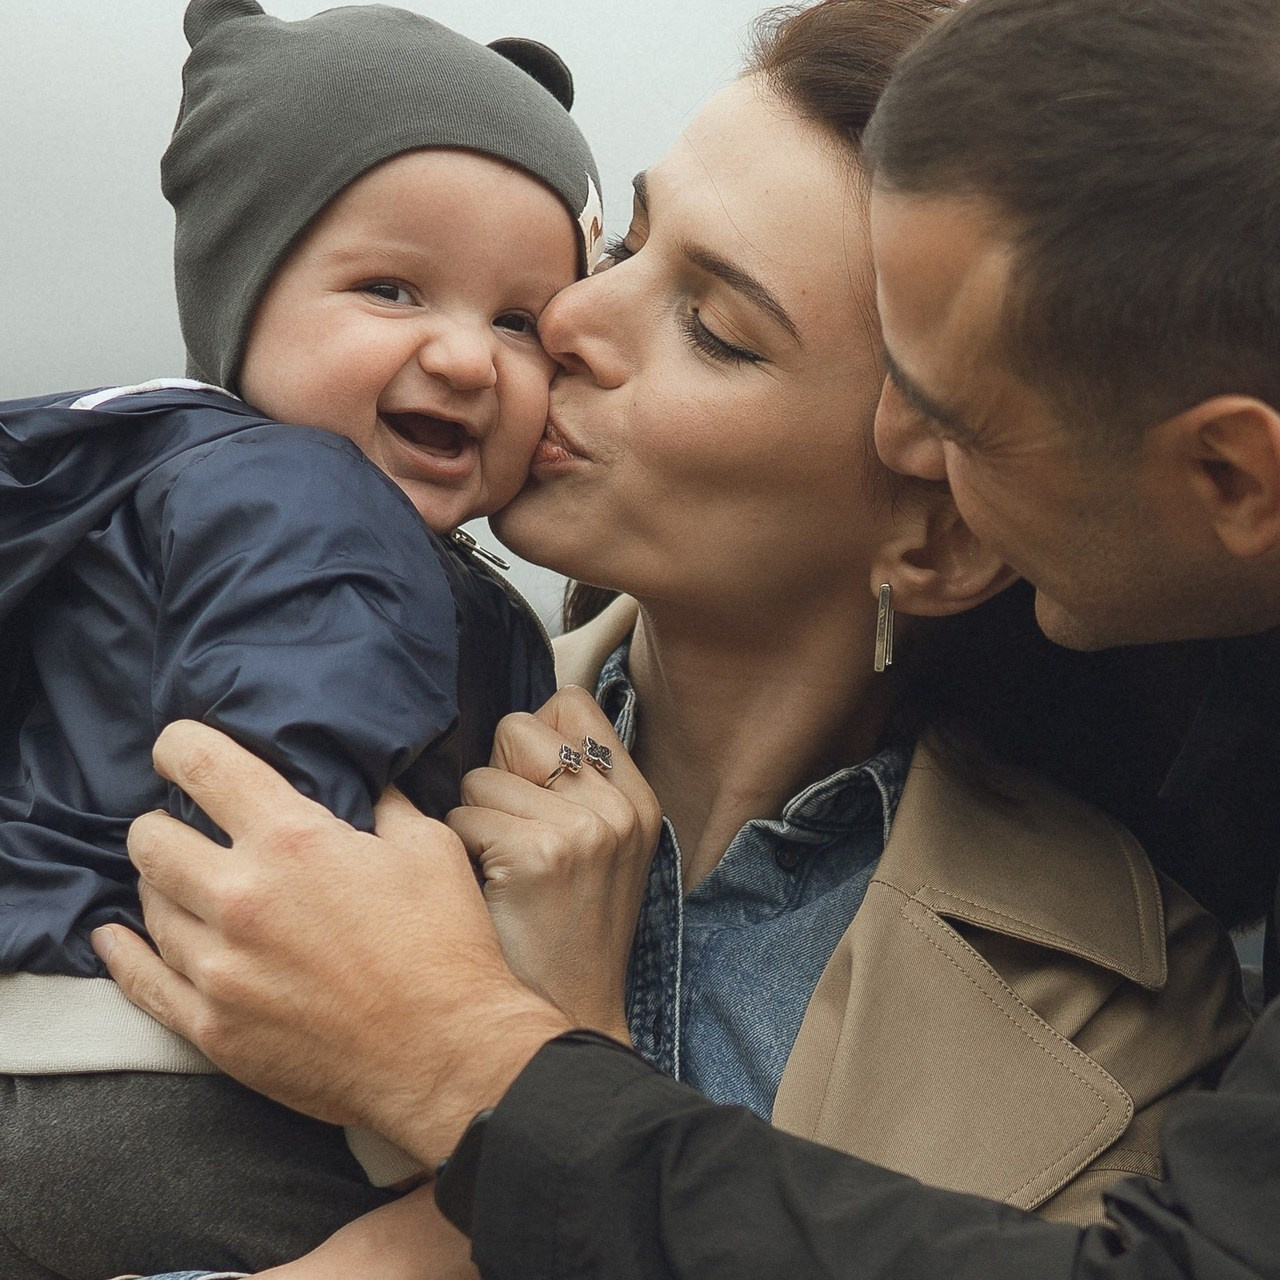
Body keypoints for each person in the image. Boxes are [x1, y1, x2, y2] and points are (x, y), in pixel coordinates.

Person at [94, 0, 1280, 1277]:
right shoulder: (244, 720)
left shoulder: (1132, 1002)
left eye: (715, 328)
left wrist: (527, 1066)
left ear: (937, 532)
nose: (564, 322)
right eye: (626, 245)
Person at [0, 0, 602, 1274]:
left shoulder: (183, 488)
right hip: (164, 1069)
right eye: (390, 288)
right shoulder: (310, 501)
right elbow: (290, 804)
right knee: (529, 1223)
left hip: (71, 1049)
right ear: (244, 291)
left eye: (518, 320)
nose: (464, 355)